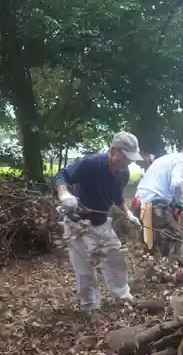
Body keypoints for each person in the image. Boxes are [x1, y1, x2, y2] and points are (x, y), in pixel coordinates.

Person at [55, 132, 142, 312]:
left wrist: (127, 213)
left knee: (116, 258)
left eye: (131, 159)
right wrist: (64, 194)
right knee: (85, 270)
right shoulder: (91, 164)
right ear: (113, 152)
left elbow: (117, 196)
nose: (128, 163)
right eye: (126, 158)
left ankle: (122, 297)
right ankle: (90, 307)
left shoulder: (123, 173)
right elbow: (62, 175)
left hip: (103, 223)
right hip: (77, 224)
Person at [132, 143, 183, 258]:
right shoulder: (181, 162)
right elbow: (177, 183)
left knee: (151, 241)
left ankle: (151, 268)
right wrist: (180, 204)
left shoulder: (168, 158)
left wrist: (171, 207)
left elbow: (168, 187)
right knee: (175, 237)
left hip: (141, 201)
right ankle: (173, 268)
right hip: (154, 202)